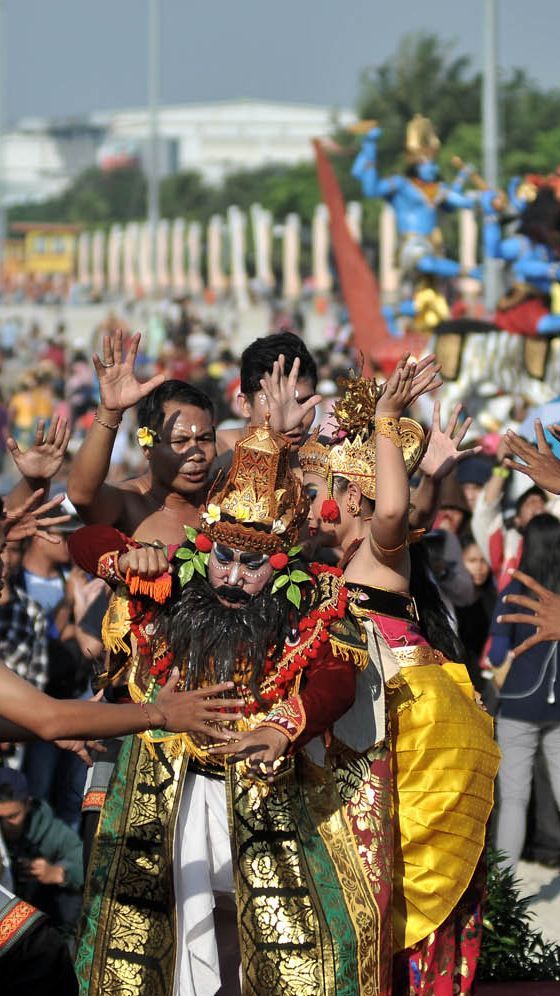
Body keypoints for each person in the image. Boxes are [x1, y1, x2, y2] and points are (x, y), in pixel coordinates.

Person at [67, 420, 389, 996]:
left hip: (267, 783)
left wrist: (283, 728)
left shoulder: (315, 598)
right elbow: (82, 538)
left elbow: (337, 678)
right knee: (160, 928)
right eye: (224, 559)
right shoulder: (173, 579)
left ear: (284, 563)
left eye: (254, 565)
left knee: (287, 941)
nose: (234, 579)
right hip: (167, 786)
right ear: (204, 547)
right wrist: (128, 558)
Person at [298, 361, 500, 993]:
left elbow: (394, 508)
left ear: (352, 499)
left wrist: (387, 419)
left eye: (318, 491)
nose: (308, 505)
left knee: (394, 873)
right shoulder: (336, 559)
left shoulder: (378, 552)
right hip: (366, 729)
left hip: (404, 731)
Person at [67, 329, 217, 545]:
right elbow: (81, 495)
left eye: (204, 439)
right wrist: (109, 411)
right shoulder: (129, 502)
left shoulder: (226, 497)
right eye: (180, 441)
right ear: (147, 446)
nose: (196, 454)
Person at [488, 512, 560, 871]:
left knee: (515, 798)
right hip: (558, 706)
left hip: (518, 703)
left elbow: (497, 654)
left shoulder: (514, 591)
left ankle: (505, 892)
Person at [0, 768, 83, 942]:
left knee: (71, 902)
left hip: (37, 912)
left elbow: (88, 864)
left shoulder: (49, 829)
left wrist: (59, 873)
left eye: (13, 816)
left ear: (28, 804)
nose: (6, 824)